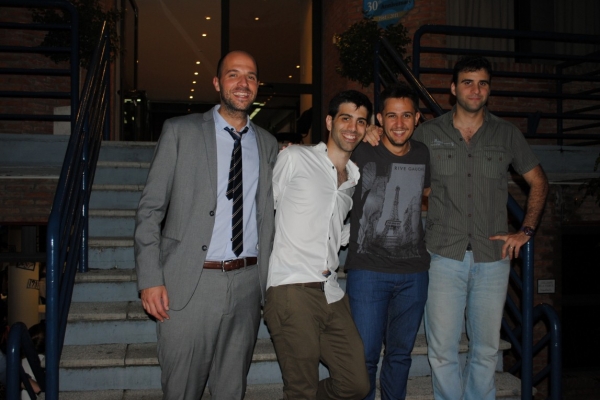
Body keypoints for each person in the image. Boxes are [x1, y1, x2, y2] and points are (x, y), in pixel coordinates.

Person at [364, 56, 549, 399]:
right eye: (467, 82)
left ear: (489, 89)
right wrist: (369, 131)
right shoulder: (427, 133)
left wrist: (525, 231)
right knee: (442, 350)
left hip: (493, 257)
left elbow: (538, 181)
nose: (475, 90)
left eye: (482, 83)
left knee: (486, 349)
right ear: (453, 89)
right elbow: (394, 145)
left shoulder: (507, 134)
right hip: (442, 256)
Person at [134, 50, 278, 400]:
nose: (243, 83)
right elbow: (150, 210)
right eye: (233, 74)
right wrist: (150, 278)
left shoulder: (268, 144)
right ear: (217, 83)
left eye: (251, 76)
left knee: (231, 390)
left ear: (257, 85)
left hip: (247, 285)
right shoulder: (180, 132)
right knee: (182, 390)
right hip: (190, 284)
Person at [264, 90, 372, 400]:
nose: (352, 127)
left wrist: (361, 229)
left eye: (360, 121)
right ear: (329, 122)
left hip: (331, 291)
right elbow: (263, 211)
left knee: (356, 385)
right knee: (301, 389)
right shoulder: (296, 158)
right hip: (291, 288)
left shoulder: (353, 178)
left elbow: (332, 230)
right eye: (345, 118)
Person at [345, 82, 430, 400]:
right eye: (391, 115)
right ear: (379, 119)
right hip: (368, 271)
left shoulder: (422, 153)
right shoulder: (361, 150)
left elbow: (425, 197)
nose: (399, 123)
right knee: (364, 357)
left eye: (406, 115)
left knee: (400, 355)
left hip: (414, 273)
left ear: (417, 118)